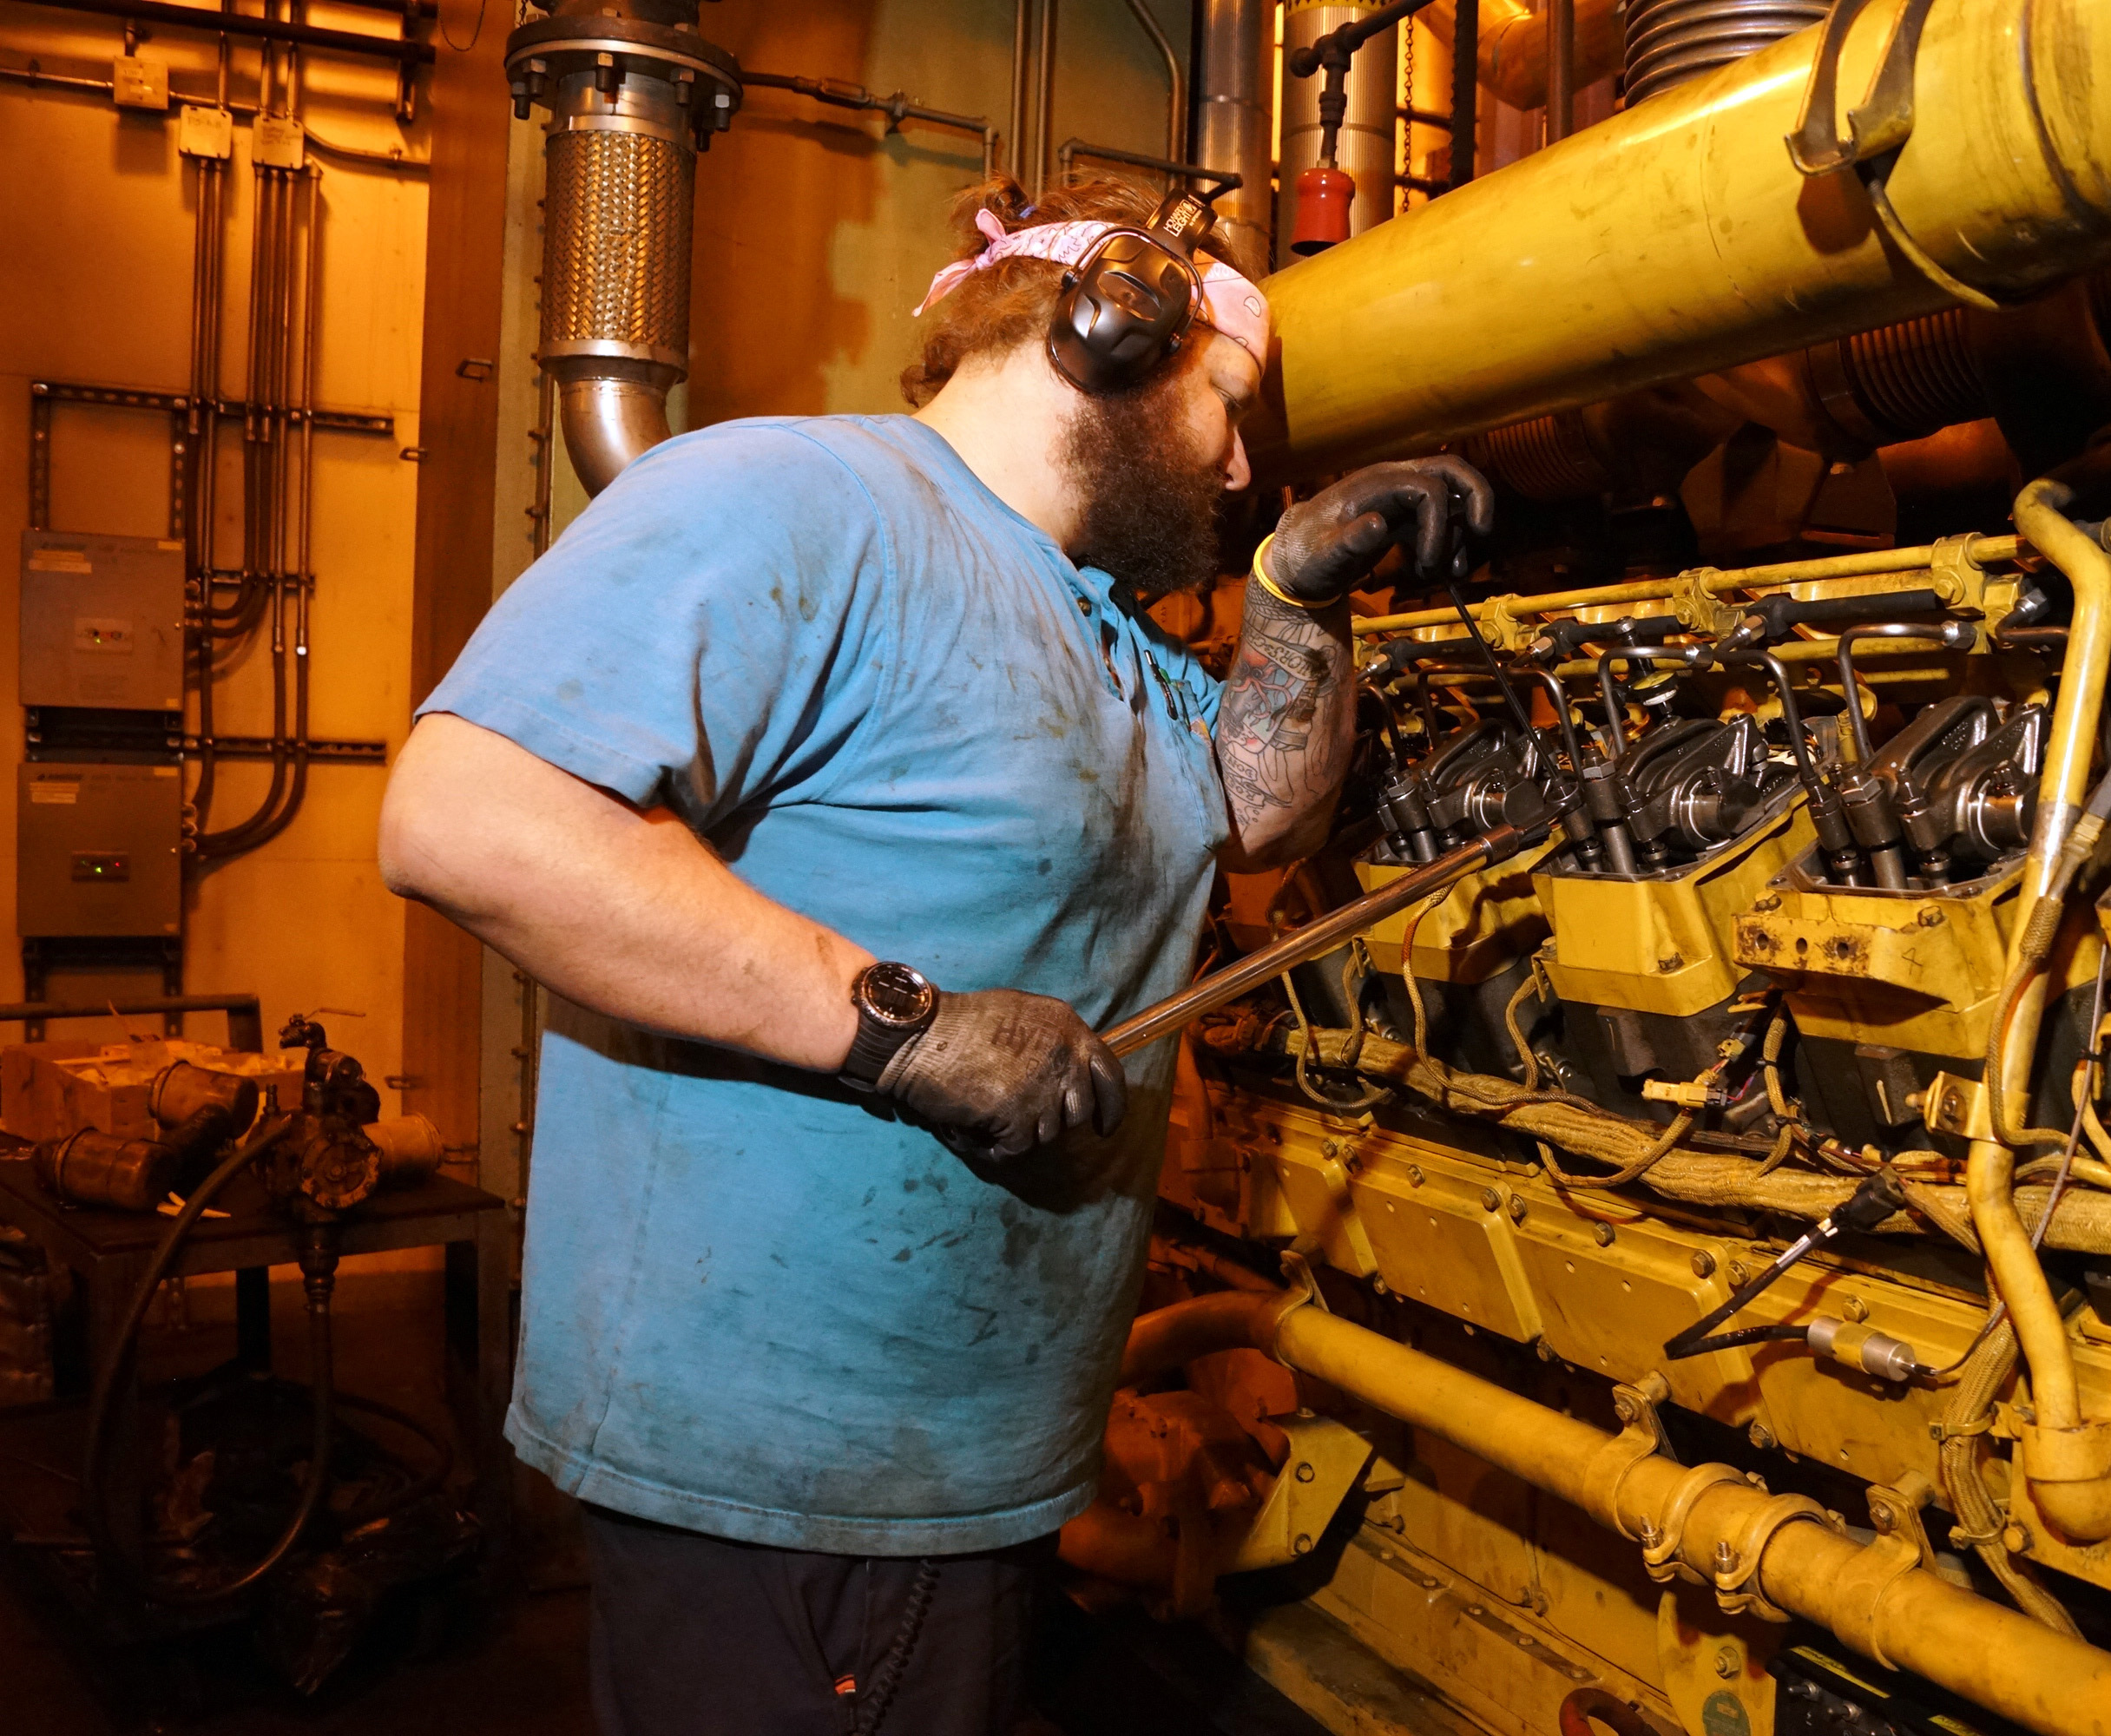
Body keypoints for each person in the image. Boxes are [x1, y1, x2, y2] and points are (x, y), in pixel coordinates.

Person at [377, 175, 1491, 1736]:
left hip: (960, 1452)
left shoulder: (1095, 619)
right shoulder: (797, 502)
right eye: (1229, 409)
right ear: (1112, 334)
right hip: (793, 1470)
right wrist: (902, 1027)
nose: (1244, 466)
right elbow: (467, 815)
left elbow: (1250, 815)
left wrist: (1300, 599)